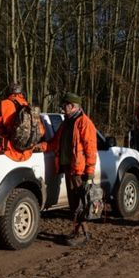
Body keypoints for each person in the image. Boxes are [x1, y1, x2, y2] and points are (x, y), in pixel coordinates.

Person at [43, 93, 97, 247]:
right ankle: (82, 232)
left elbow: (91, 149)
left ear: (73, 106)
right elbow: (54, 143)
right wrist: (39, 146)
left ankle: (81, 234)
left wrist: (90, 170)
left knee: (80, 203)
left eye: (65, 105)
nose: (62, 107)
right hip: (69, 169)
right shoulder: (67, 123)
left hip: (79, 171)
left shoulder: (84, 123)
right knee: (75, 204)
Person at [0, 83, 40, 162]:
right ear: (21, 93)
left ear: (8, 92)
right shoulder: (27, 106)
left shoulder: (6, 104)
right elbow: (41, 130)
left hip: (9, 153)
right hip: (27, 153)